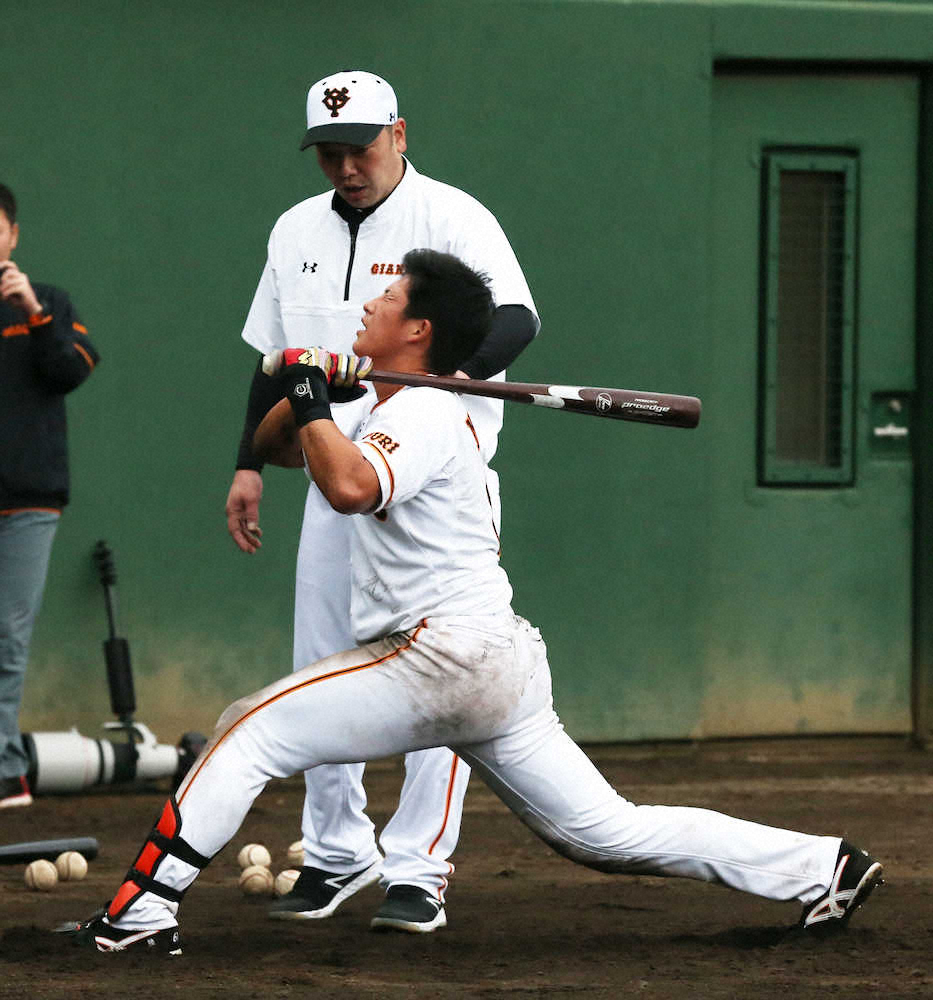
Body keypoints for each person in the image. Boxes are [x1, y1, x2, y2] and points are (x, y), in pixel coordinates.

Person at [69, 249, 882, 955]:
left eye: (385, 301)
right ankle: (821, 866)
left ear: (417, 331)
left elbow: (349, 488)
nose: (368, 304)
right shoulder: (393, 403)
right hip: (491, 660)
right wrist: (311, 388)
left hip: (439, 656)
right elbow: (279, 447)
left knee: (250, 729)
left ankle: (139, 910)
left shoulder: (422, 411)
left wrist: (317, 396)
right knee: (605, 832)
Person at [224, 69, 539, 932]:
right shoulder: (294, 228)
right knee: (320, 659)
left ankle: (418, 867)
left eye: (359, 147)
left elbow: (517, 320)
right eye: (329, 151)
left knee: (438, 669)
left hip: (436, 482)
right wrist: (248, 465)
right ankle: (335, 852)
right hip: (337, 470)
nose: (345, 165)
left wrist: (450, 377)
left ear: (398, 133)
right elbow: (278, 359)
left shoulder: (453, 216)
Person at [0, 183, 100, 808]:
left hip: (28, 500)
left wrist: (34, 313)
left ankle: (6, 772)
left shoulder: (49, 304)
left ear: (11, 234)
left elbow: (71, 370)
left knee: (5, 638)